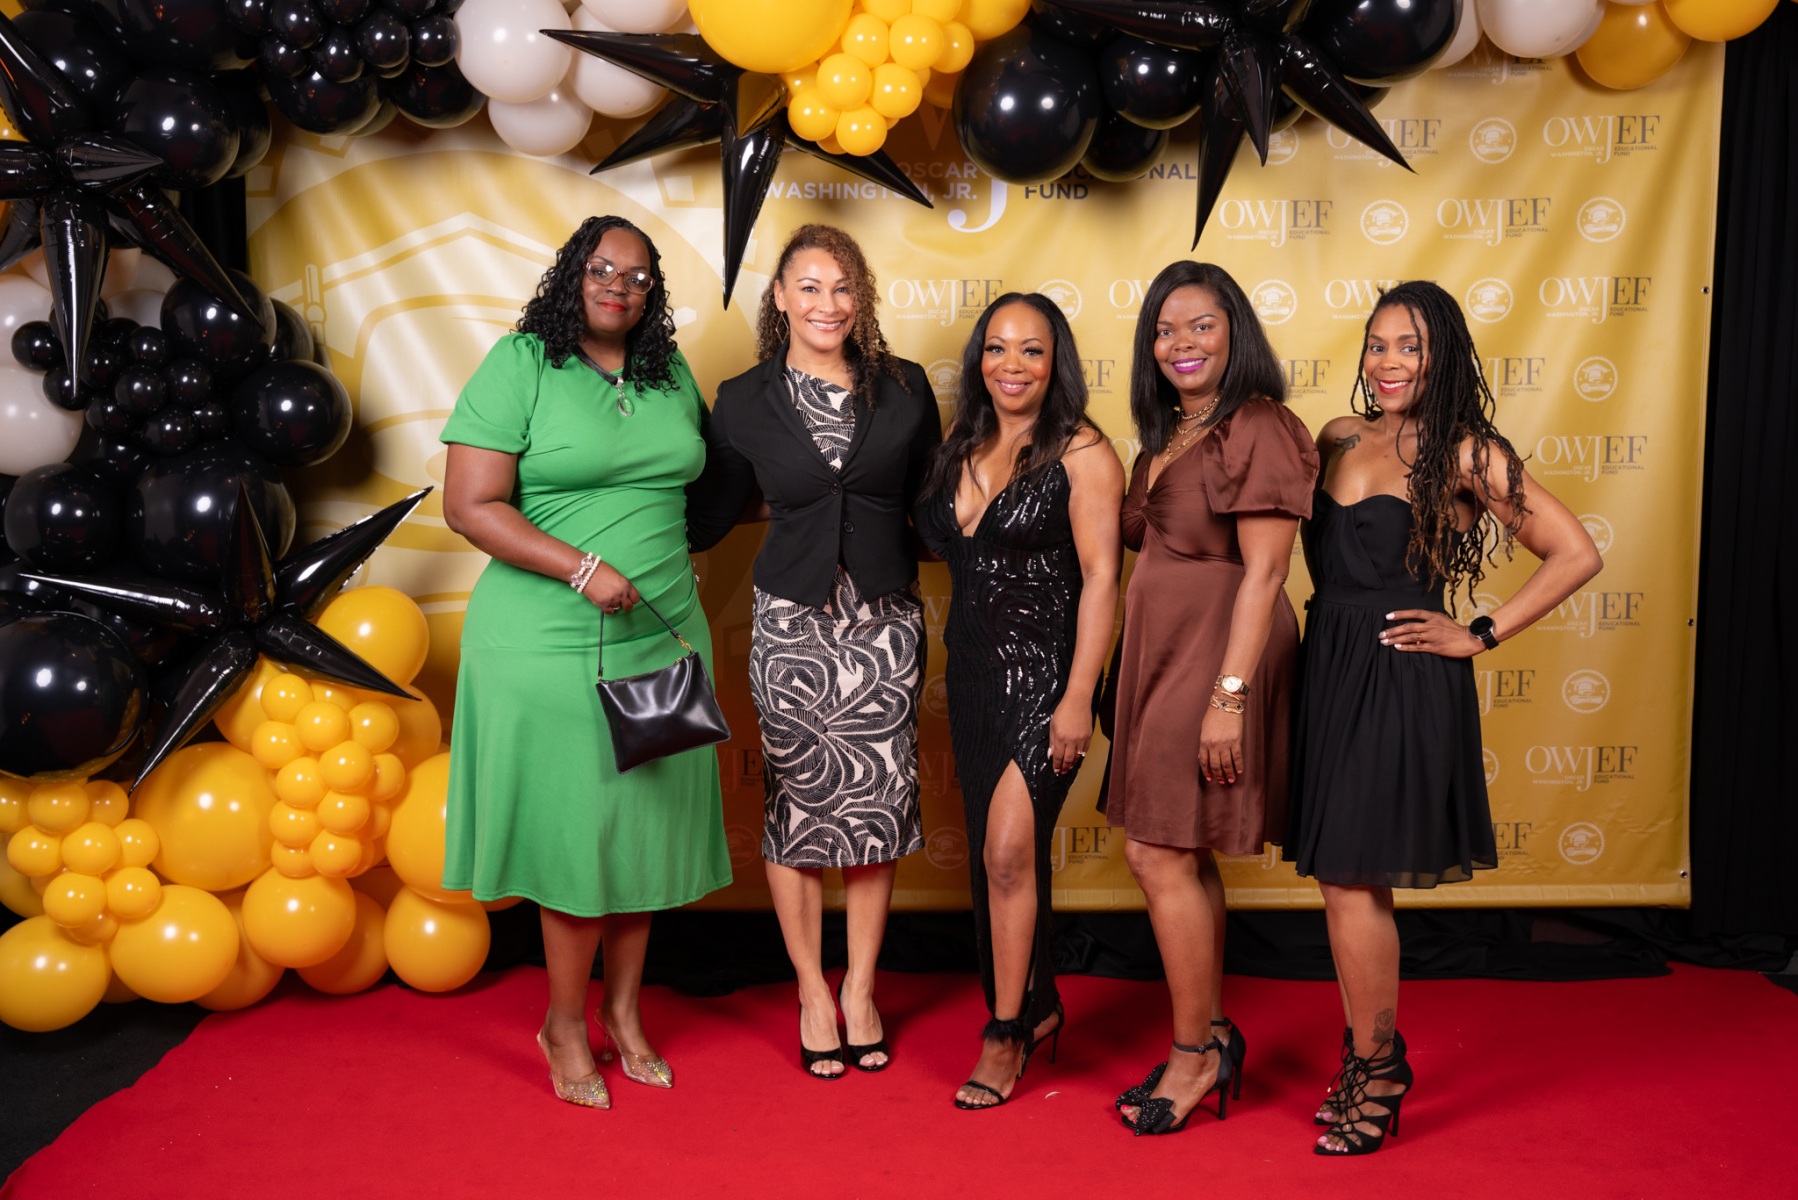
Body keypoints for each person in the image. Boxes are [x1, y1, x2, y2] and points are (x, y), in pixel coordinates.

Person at [1285, 280, 1602, 1156]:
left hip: (1401, 675)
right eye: (1377, 344)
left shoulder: (1467, 453)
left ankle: (1380, 1066)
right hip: (1330, 668)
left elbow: (1575, 552)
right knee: (1340, 881)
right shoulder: (1338, 434)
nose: (1388, 362)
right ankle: (1366, 1058)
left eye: (1410, 347)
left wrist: (1480, 633)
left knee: (1352, 877)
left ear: (1443, 357)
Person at [439, 216, 731, 1110]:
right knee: (580, 840)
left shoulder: (668, 372)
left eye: (638, 277)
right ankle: (564, 1024)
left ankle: (623, 1012)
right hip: (549, 641)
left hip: (661, 634)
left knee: (641, 830)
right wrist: (581, 568)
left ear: (653, 293)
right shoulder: (522, 363)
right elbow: (469, 504)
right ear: (573, 273)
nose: (618, 286)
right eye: (603, 269)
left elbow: (701, 487)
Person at [687, 224, 940, 1079]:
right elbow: (712, 513)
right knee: (796, 809)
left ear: (860, 298)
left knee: (876, 810)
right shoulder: (742, 399)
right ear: (780, 297)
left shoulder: (905, 387)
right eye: (809, 286)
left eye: (843, 287)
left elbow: (934, 502)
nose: (827, 304)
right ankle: (809, 989)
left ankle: (860, 988)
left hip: (884, 625)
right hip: (792, 629)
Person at [1107, 261, 1319, 1136]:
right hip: (1161, 652)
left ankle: (1193, 1054)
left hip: (1218, 651)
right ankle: (1213, 1035)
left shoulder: (1256, 424)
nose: (1181, 344)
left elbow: (1267, 571)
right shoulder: (1167, 433)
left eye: (1201, 325)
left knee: (1157, 853)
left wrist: (1229, 696)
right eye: (1165, 330)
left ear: (1236, 334)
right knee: (1177, 852)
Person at [914, 294, 1124, 1109]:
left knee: (1006, 853)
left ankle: (1004, 1033)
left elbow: (1101, 578)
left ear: (1055, 361)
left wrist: (1078, 697)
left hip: (1044, 677)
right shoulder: (962, 444)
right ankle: (1036, 1007)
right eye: (997, 347)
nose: (1012, 364)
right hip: (970, 675)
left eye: (1031, 349)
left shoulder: (1083, 450)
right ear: (979, 359)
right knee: (996, 856)